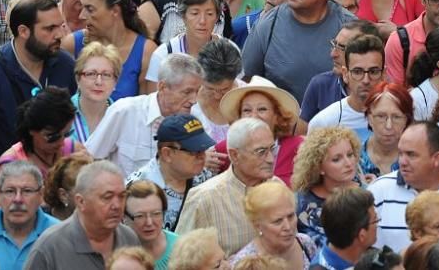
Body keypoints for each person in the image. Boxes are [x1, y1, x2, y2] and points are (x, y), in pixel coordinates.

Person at [0, 0, 74, 191]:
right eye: (49, 28)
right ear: (23, 31)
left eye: (60, 26)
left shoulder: (65, 65)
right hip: (7, 192)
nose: (60, 35)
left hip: (57, 190)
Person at [242, 0, 356, 101]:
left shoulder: (350, 29)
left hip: (335, 122)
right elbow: (247, 81)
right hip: (282, 119)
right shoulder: (267, 24)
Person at [84, 54, 204, 176]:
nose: (194, 100)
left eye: (197, 91)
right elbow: (89, 158)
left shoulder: (196, 120)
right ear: (162, 87)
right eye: (187, 92)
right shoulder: (124, 111)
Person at [175, 117, 277, 255]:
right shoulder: (204, 198)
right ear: (234, 155)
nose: (271, 159)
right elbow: (181, 260)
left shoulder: (277, 188)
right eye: (261, 152)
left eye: (272, 149)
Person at [368, 121, 439, 252]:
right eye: (401, 153)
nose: (402, 162)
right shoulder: (378, 192)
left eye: (411, 155)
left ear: (436, 158)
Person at [24, 160, 140, 269]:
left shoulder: (129, 238)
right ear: (81, 201)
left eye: (122, 196)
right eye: (107, 197)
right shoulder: (50, 247)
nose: (117, 205)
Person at [63, 0, 154, 98]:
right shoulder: (72, 44)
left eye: (90, 9)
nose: (82, 16)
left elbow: (147, 109)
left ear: (115, 11)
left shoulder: (146, 51)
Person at [0, 87, 82, 202]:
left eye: (67, 133)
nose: (61, 142)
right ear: (31, 130)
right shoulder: (10, 165)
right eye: (52, 136)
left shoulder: (75, 152)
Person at [125, 113, 215, 231]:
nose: (202, 156)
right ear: (167, 154)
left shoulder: (205, 178)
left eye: (203, 150)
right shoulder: (136, 189)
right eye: (193, 151)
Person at [217, 75, 304, 183]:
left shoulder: (300, 148)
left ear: (277, 116)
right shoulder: (225, 149)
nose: (254, 116)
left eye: (262, 109)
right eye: (247, 110)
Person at [291, 126, 362, 249]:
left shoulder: (369, 193)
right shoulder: (300, 200)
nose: (348, 163)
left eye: (350, 155)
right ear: (319, 167)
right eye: (336, 159)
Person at [308, 34, 386, 139]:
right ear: (345, 74)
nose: (366, 80)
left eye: (373, 71)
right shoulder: (324, 122)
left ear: (384, 74)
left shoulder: (399, 116)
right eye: (357, 72)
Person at [123, 180, 177, 267]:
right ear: (124, 217)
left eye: (156, 214)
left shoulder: (182, 249)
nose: (149, 222)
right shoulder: (112, 252)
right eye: (140, 216)